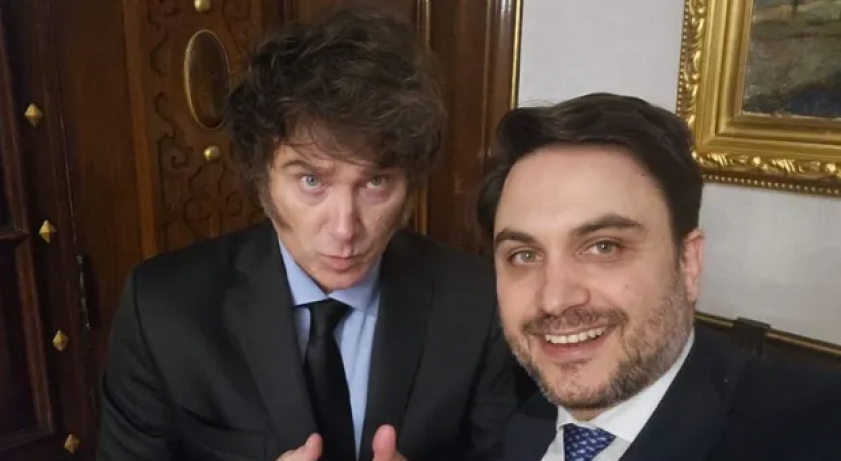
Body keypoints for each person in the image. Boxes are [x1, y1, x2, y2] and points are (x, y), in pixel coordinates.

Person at [97, 5, 517, 461]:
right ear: (262, 177)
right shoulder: (162, 309)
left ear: (410, 185)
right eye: (311, 180)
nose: (344, 228)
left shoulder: (478, 300)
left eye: (376, 182)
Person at [474, 92, 841, 461]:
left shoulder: (815, 431)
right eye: (524, 255)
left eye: (604, 247)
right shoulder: (523, 418)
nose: (554, 300)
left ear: (688, 262)